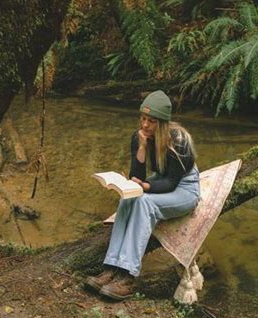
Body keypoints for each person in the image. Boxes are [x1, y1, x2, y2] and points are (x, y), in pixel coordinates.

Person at [85, 90, 200, 300]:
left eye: (152, 121)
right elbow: (136, 176)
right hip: (159, 180)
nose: (145, 125)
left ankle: (127, 276)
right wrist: (141, 148)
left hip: (184, 188)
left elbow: (171, 183)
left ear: (163, 123)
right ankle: (111, 268)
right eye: (143, 118)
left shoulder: (180, 141)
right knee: (129, 198)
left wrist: (145, 187)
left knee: (144, 203)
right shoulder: (139, 136)